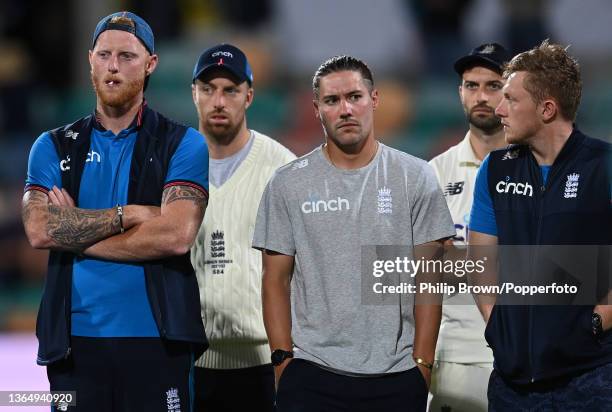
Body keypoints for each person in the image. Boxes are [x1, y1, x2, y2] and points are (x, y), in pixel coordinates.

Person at [21, 11, 209, 412]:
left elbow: (175, 235)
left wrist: (74, 237)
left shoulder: (184, 144)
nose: (113, 66)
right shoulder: (52, 145)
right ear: (90, 59)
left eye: (126, 56)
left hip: (158, 343)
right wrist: (128, 215)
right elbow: (39, 229)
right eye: (104, 54)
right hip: (73, 346)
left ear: (151, 63)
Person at [252, 55, 456, 412]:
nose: (345, 109)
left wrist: (422, 366)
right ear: (316, 109)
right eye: (332, 101)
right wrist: (284, 363)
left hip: (396, 376)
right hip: (311, 373)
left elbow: (429, 279)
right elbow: (274, 280)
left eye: (355, 97)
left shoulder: (416, 176)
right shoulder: (287, 183)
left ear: (373, 100)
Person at [469, 40, 612, 410]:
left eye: (511, 100)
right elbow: (481, 262)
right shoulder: (496, 169)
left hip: (592, 377)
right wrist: (496, 324)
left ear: (547, 108)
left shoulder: (604, 166)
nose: (498, 109)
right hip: (510, 384)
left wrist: (597, 322)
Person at [189, 43, 295, 412]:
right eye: (208, 89)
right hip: (190, 359)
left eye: (230, 90)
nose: (219, 100)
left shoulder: (282, 168)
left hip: (267, 361)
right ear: (194, 93)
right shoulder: (170, 165)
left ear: (248, 96)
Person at [428, 42, 512, 412]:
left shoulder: (542, 169)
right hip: (453, 359)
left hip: (522, 355)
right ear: (460, 92)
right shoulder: (432, 174)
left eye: (493, 86)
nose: (481, 96)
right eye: (471, 85)